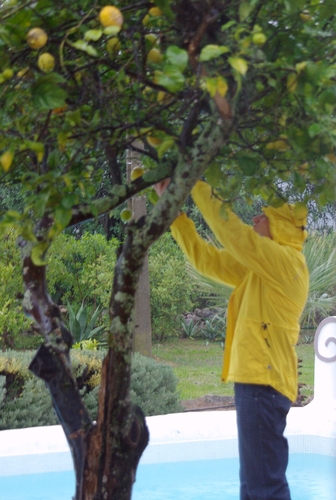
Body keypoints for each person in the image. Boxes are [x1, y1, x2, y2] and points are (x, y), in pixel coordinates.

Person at [156, 179, 309, 500]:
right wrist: (177, 216)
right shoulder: (263, 267)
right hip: (258, 383)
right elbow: (207, 260)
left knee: (264, 487)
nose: (255, 219)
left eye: (263, 216)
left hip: (263, 384)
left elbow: (233, 234)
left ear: (281, 225)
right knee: (254, 487)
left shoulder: (285, 263)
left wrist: (196, 182)